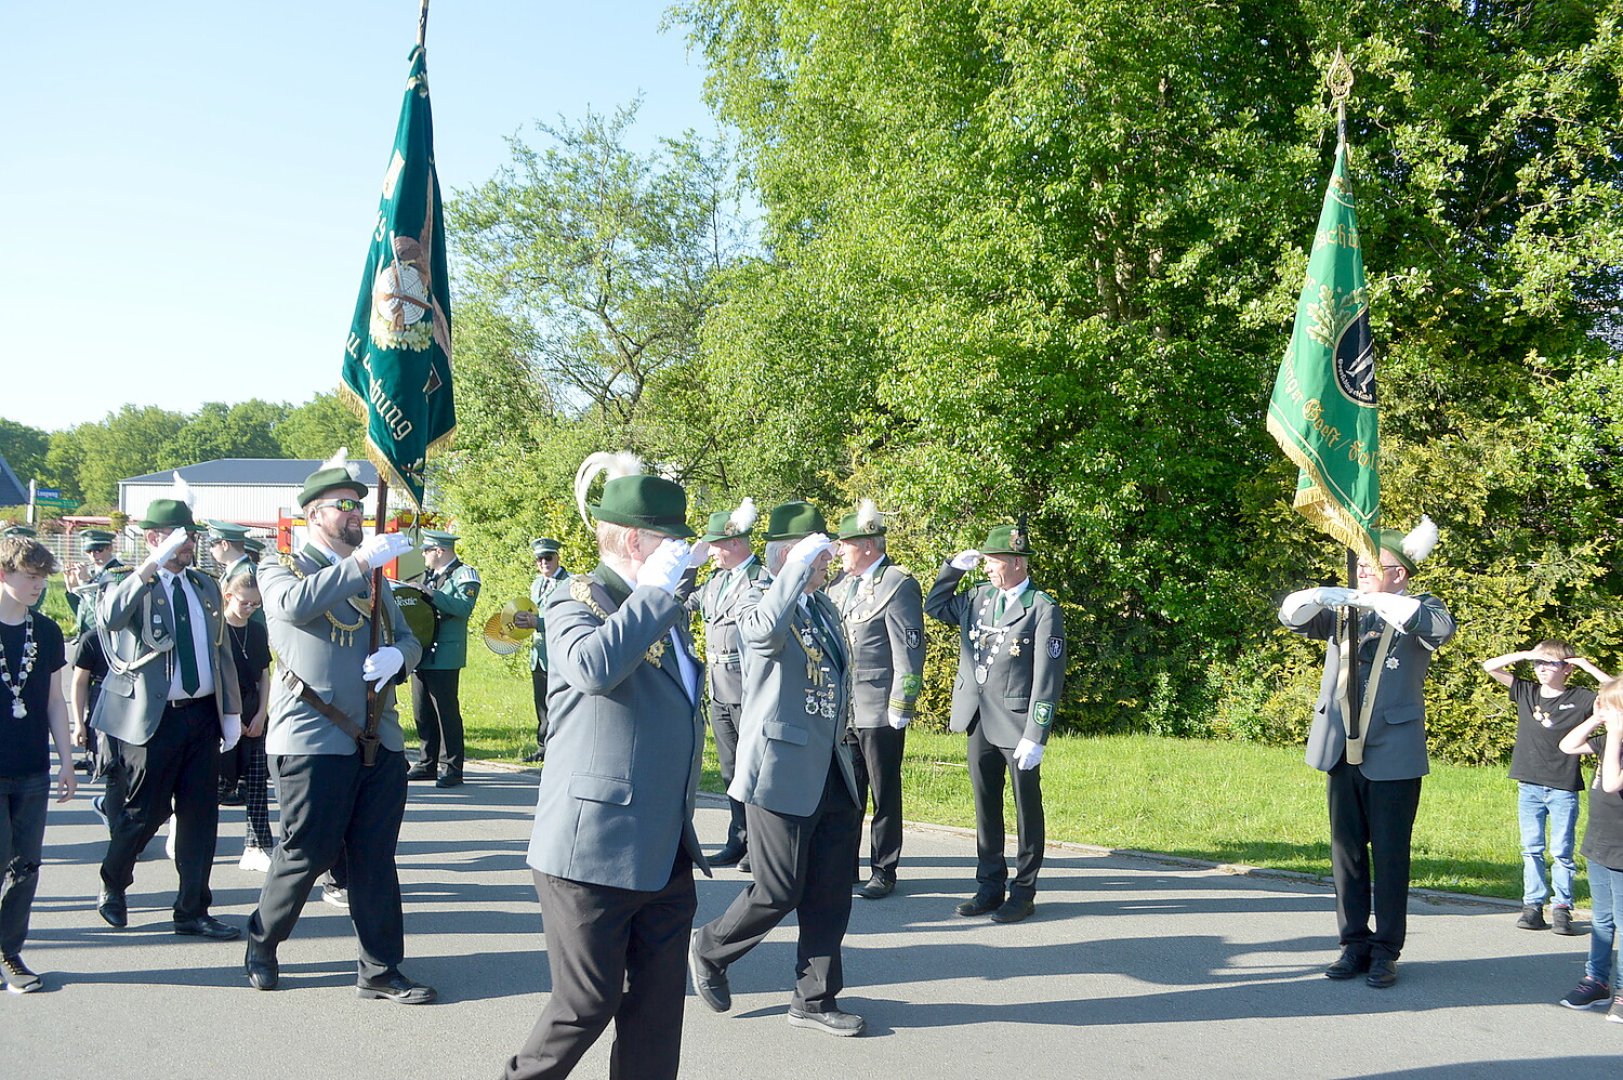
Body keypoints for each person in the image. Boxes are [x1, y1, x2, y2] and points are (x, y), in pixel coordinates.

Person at [501, 452, 708, 1079]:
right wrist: (652, 595)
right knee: (586, 1003)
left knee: (656, 1014)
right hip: (592, 848)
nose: (683, 551)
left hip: (663, 844)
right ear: (633, 538)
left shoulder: (665, 604)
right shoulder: (574, 599)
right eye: (670, 539)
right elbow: (592, 667)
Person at [244, 449, 433, 1003]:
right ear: (313, 514)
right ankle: (262, 941)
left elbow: (409, 637)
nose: (356, 513)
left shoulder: (375, 578)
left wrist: (402, 657)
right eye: (344, 506)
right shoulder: (281, 567)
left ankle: (379, 969)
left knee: (374, 857)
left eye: (358, 504)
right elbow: (294, 606)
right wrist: (358, 564)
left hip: (379, 738)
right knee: (307, 852)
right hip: (312, 738)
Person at [689, 500, 867, 1038]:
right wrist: (790, 573)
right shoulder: (755, 596)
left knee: (832, 891)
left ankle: (814, 999)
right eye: (818, 551)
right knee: (779, 887)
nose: (829, 560)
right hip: (779, 767)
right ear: (791, 554)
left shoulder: (824, 606)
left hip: (833, 765)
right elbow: (762, 637)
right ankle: (710, 947)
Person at [1278, 516, 1456, 989]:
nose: (1359, 572)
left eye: (1371, 565)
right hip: (1341, 746)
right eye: (1357, 565)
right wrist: (1317, 595)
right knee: (1347, 854)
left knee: (1392, 856)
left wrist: (1372, 599)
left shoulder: (1420, 605)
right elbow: (1289, 615)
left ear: (1398, 573)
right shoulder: (1344, 608)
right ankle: (1353, 943)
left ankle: (1385, 949)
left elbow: (1437, 627)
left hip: (1392, 751)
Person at [92, 477, 243, 940]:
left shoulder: (203, 586)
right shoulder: (129, 582)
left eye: (193, 537)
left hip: (199, 714)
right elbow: (111, 617)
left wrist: (231, 712)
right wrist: (149, 568)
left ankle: (192, 909)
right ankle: (114, 883)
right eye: (183, 536)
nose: (191, 545)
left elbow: (221, 653)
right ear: (157, 538)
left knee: (201, 816)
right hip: (154, 717)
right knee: (145, 812)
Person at [924, 522, 1064, 925]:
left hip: (1018, 722)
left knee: (1026, 808)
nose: (985, 567)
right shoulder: (978, 597)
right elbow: (935, 606)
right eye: (983, 560)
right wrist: (952, 568)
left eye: (992, 560)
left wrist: (1037, 733)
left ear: (1017, 562)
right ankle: (989, 885)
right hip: (978, 718)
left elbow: (1047, 676)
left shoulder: (1041, 608)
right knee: (986, 806)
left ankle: (1023, 891)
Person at [1481, 638, 1609, 934]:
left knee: (1562, 850)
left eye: (1549, 663)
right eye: (1538, 663)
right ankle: (1533, 906)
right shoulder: (1527, 691)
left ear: (1567, 669)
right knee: (1531, 848)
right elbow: (1490, 666)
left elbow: (1618, 692)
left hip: (1563, 786)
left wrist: (1587, 665)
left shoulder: (1582, 698)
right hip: (1529, 784)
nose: (1541, 669)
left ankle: (1562, 907)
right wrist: (1529, 653)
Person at [831, 500, 924, 899]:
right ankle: (843, 865)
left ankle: (884, 869)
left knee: (884, 791)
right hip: (844, 710)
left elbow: (909, 649)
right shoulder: (837, 584)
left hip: (879, 705)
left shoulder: (897, 584)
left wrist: (901, 704)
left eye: (846, 544)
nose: (840, 551)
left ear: (868, 545)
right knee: (847, 793)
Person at [0, 536, 77, 994]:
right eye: (30, 577)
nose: (38, 586)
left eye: (43, 578)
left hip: (32, 768)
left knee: (26, 866)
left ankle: (10, 951)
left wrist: (67, 761)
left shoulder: (45, 631)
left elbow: (53, 701)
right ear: (4, 573)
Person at [688, 498, 762, 868]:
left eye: (715, 545)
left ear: (735, 542)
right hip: (718, 687)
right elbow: (681, 602)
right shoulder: (715, 582)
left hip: (748, 688)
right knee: (730, 769)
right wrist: (688, 566)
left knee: (755, 769)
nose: (711, 551)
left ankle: (760, 845)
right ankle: (740, 837)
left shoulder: (760, 580)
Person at [1556, 680, 1623, 1020]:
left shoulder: (1617, 745)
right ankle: (1597, 980)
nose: (1605, 712)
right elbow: (1568, 745)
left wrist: (1614, 734)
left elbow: (1611, 782)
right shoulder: (1606, 738)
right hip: (1600, 845)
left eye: (1610, 708)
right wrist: (1596, 721)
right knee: (1602, 919)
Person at [406, 530, 480, 788]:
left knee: (445, 712)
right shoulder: (428, 576)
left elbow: (463, 608)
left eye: (426, 550)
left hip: (445, 654)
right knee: (422, 710)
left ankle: (452, 767)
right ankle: (427, 763)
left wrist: (431, 594)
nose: (423, 554)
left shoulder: (465, 575)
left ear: (440, 551)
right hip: (423, 651)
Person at [221, 570, 275, 872]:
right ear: (229, 596)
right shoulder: (218, 630)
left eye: (256, 604)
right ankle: (181, 820)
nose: (250, 609)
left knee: (256, 781)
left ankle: (255, 845)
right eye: (245, 603)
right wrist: (233, 716)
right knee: (221, 782)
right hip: (226, 711)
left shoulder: (255, 630)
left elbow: (265, 674)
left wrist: (261, 713)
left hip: (254, 710)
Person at [516, 537, 568, 763]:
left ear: (558, 558)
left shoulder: (569, 583)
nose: (544, 563)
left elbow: (566, 618)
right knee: (541, 703)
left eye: (548, 558)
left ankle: (560, 746)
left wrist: (538, 623)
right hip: (539, 654)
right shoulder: (537, 583)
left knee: (559, 702)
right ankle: (543, 746)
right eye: (540, 559)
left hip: (558, 652)